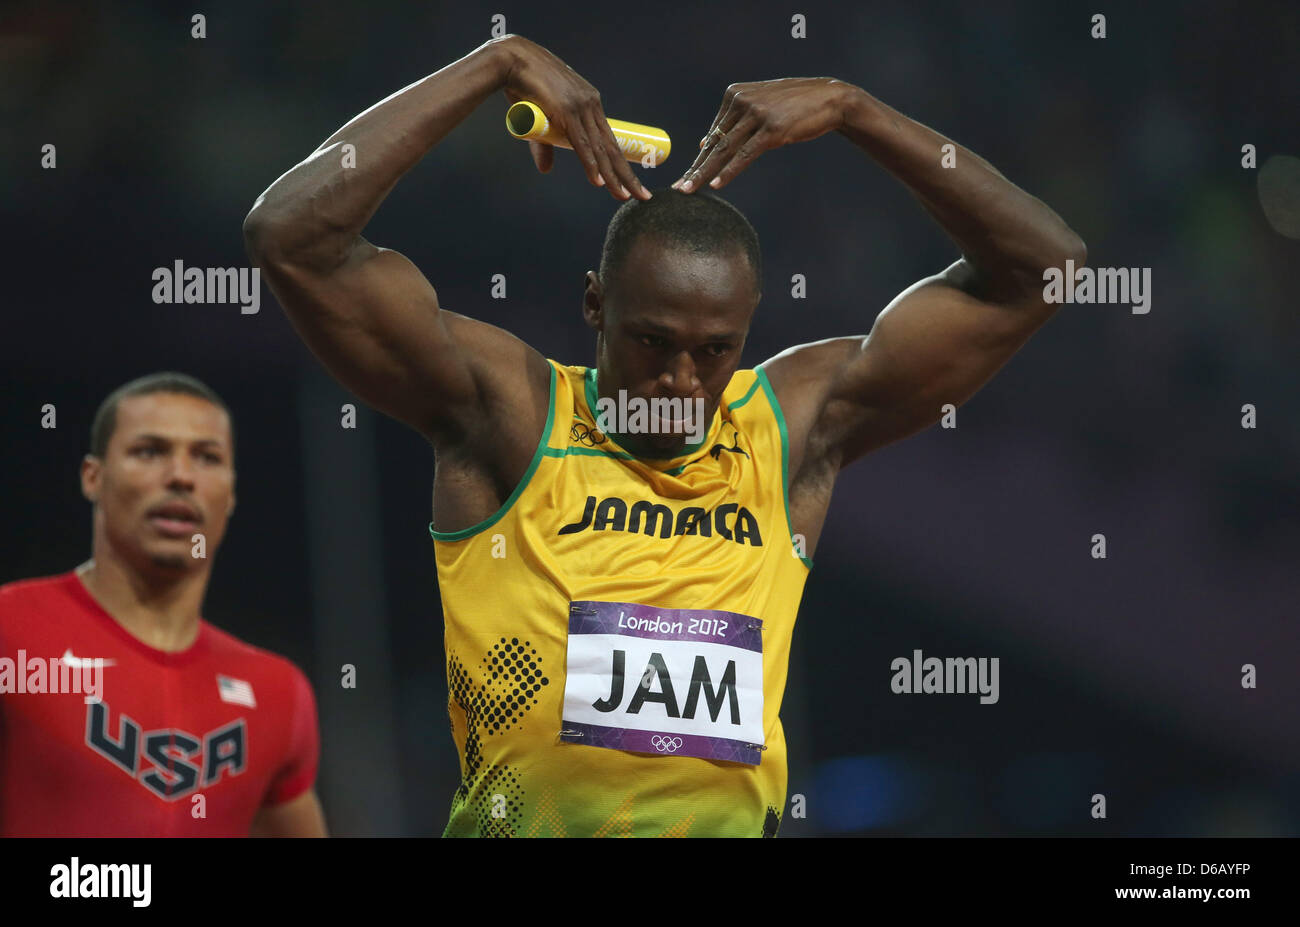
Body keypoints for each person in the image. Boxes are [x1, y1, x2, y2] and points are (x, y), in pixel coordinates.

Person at [243, 34, 1084, 837]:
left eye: (714, 350)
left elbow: (1045, 267)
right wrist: (494, 65)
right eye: (652, 342)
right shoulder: (512, 412)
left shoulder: (792, 426)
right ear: (594, 306)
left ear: (747, 331)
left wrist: (856, 110)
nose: (682, 381)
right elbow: (291, 237)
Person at [0, 373, 327, 837]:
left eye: (207, 457)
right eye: (150, 451)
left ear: (230, 494)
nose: (180, 476)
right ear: (93, 477)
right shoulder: (11, 632)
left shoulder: (278, 694)